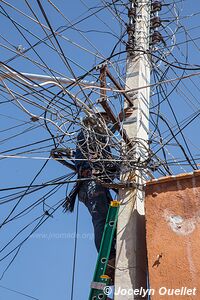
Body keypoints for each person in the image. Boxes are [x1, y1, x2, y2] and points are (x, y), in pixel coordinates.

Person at [74, 107, 118, 285]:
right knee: (101, 219)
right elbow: (102, 136)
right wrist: (118, 121)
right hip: (91, 184)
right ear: (95, 119)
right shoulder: (87, 133)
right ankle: (108, 258)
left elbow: (104, 136)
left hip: (97, 185)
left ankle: (113, 255)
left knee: (110, 219)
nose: (106, 122)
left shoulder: (98, 136)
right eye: (104, 118)